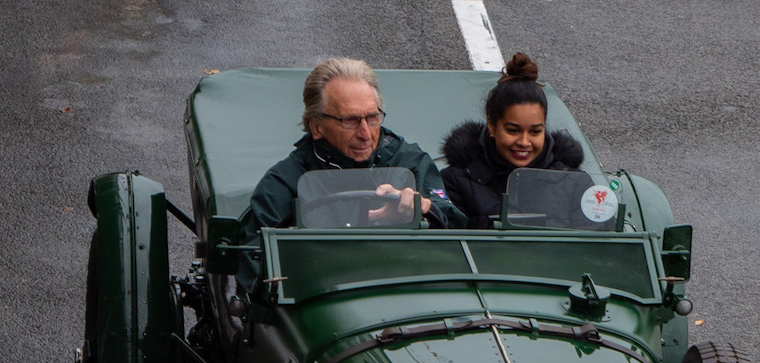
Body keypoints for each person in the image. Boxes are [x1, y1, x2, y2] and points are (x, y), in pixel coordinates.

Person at [238, 58, 464, 290]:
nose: (365, 133)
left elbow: (458, 228)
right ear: (316, 126)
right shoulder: (285, 182)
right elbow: (255, 266)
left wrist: (424, 209)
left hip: (408, 293)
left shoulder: (411, 162)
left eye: (372, 118)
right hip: (325, 300)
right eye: (350, 121)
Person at [440, 54, 586, 229]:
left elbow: (598, 249)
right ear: (492, 126)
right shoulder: (455, 181)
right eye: (513, 130)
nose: (524, 142)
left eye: (535, 131)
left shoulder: (575, 183)